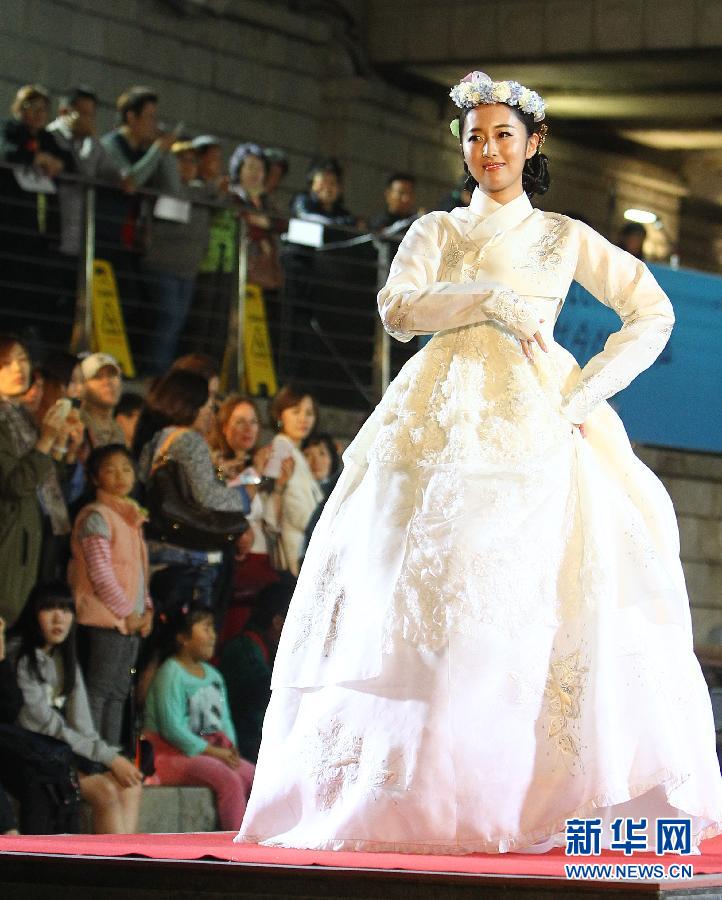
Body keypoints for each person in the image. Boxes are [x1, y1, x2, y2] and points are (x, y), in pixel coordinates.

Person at [237, 70, 722, 853]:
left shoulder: (563, 235)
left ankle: (513, 795)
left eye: (503, 136)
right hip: (436, 410)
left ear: (532, 144)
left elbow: (651, 310)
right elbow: (398, 310)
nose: (489, 150)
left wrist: (588, 388)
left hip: (536, 410)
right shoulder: (435, 229)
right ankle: (408, 799)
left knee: (524, 592)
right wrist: (480, 299)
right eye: (475, 137)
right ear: (461, 148)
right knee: (415, 582)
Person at [12, 582, 143, 833]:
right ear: (33, 613)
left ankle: (128, 857)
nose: (59, 617)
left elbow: (83, 724)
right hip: (30, 755)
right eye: (49, 608)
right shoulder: (20, 657)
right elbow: (45, 727)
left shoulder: (65, 658)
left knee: (131, 785)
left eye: (66, 609)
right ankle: (111, 859)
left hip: (63, 753)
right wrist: (108, 757)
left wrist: (109, 756)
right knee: (105, 791)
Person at [143, 601, 255, 830]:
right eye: (205, 628)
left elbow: (224, 720)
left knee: (254, 776)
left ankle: (261, 836)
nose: (213, 635)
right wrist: (216, 753)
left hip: (212, 752)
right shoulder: (170, 673)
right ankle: (236, 839)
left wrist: (230, 748)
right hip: (171, 755)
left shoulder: (214, 675)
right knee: (229, 780)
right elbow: (171, 729)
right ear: (182, 638)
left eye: (213, 628)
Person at [69, 443, 153, 746]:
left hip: (129, 620)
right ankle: (92, 756)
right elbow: (100, 572)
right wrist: (128, 612)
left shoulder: (131, 518)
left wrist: (146, 610)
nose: (120, 476)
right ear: (94, 478)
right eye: (110, 469)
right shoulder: (97, 517)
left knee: (118, 692)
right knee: (99, 690)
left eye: (126, 469)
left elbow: (139, 573)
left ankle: (112, 753)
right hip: (104, 619)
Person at [0, 335, 75, 628]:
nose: (18, 368)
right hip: (10, 540)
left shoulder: (20, 415)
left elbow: (45, 479)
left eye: (22, 359)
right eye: (6, 363)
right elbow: (16, 485)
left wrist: (60, 444)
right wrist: (46, 439)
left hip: (34, 533)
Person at [141, 141, 217, 374]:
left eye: (193, 161)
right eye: (182, 160)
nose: (189, 166)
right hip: (163, 267)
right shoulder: (165, 190)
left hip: (188, 270)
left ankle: (166, 369)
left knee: (178, 321)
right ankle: (156, 370)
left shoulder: (201, 192)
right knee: (169, 317)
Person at [218, 582, 292, 763]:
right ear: (278, 622)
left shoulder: (265, 648)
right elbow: (255, 714)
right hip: (239, 749)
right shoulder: (244, 650)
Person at [263, 386, 322, 577]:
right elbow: (290, 504)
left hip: (302, 546)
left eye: (309, 413)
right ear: (280, 415)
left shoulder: (294, 451)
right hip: (294, 551)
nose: (303, 419)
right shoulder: (282, 448)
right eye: (296, 411)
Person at [289, 158, 358, 228]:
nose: (327, 188)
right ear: (312, 185)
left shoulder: (344, 215)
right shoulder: (301, 201)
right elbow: (307, 219)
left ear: (340, 188)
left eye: (332, 183)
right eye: (322, 183)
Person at [79, 352, 125, 450]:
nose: (107, 382)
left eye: (112, 375)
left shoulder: (118, 430)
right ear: (82, 386)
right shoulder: (78, 425)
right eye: (97, 377)